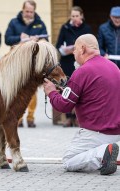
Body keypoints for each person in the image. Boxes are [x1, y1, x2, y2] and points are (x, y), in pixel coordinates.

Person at [43, 34, 120, 175]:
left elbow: (63, 106)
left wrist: (51, 92)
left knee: (69, 160)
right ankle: (105, 154)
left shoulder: (82, 71)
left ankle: (103, 153)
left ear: (83, 49)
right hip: (115, 132)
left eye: (75, 49)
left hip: (94, 132)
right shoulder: (114, 68)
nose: (73, 52)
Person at [5, 0, 48, 128]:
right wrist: (21, 38)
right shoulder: (14, 22)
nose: (29, 14)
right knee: (17, 90)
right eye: (27, 11)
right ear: (22, 10)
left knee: (32, 91)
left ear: (34, 11)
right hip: (16, 62)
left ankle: (30, 117)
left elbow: (46, 41)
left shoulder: (40, 23)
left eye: (31, 12)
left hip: (33, 63)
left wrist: (38, 41)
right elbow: (7, 39)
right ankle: (18, 118)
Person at [56, 6, 92, 127]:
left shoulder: (87, 28)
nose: (75, 18)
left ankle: (78, 117)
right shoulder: (65, 28)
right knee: (67, 89)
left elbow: (90, 46)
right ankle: (68, 117)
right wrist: (65, 50)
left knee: (81, 90)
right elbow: (58, 46)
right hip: (67, 62)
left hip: (81, 63)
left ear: (81, 16)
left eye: (77, 16)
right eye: (73, 16)